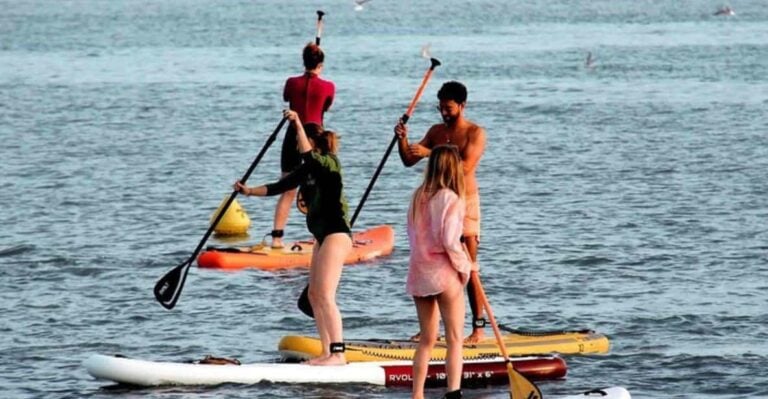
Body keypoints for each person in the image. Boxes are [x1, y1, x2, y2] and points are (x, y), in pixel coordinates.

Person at [235, 109, 351, 366]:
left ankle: (339, 354)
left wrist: (298, 121)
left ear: (311, 142)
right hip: (322, 237)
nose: (298, 147)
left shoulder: (329, 162)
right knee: (314, 295)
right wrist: (247, 191)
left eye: (301, 142)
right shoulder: (305, 170)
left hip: (336, 234)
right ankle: (325, 352)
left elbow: (309, 156)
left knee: (326, 294)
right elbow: (277, 187)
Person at [395, 81, 488, 343]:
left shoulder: (475, 133)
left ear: (462, 105)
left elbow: (465, 167)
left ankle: (478, 329)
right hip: (436, 203)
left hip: (465, 202)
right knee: (434, 261)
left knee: (468, 266)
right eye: (441, 108)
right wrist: (403, 139)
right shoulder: (435, 131)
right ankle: (431, 328)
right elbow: (408, 160)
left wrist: (429, 152)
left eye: (448, 108)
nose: (444, 113)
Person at [407, 145, 471, 399]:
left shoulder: (416, 196)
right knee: (455, 339)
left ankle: (417, 394)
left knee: (427, 340)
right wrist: (466, 267)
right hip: (444, 274)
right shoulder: (451, 198)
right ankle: (453, 393)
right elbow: (450, 241)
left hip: (419, 272)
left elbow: (412, 236)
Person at [270, 42, 336, 249]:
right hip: (315, 139)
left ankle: (276, 239)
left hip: (292, 137)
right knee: (319, 189)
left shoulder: (291, 82)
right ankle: (321, 236)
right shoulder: (328, 86)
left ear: (304, 61)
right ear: (321, 64)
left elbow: (287, 98)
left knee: (287, 189)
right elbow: (326, 105)